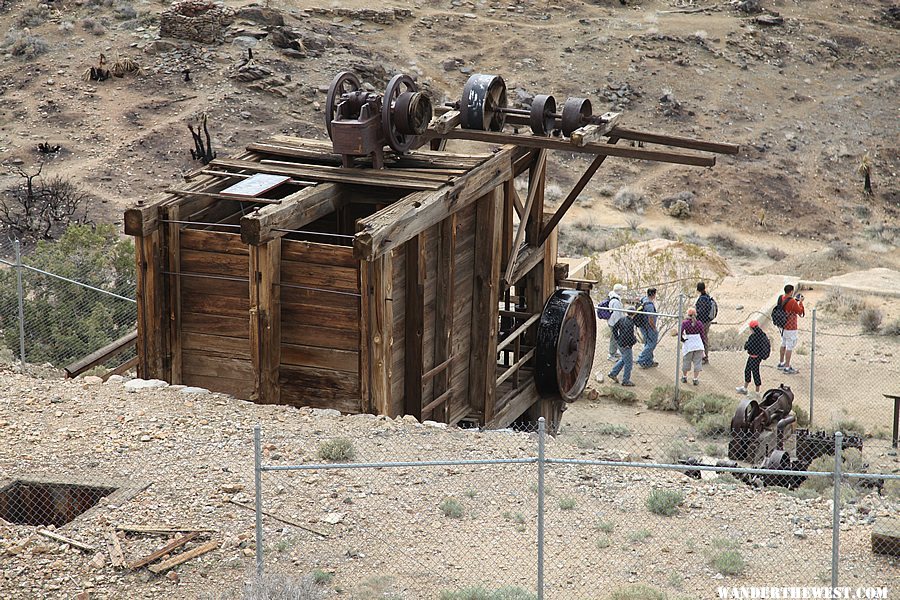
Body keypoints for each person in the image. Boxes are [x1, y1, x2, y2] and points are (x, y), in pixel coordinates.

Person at [777, 284, 805, 375]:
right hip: (791, 327)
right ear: (792, 291)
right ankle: (787, 367)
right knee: (789, 346)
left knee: (783, 343)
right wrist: (800, 302)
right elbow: (800, 312)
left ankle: (781, 363)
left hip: (783, 326)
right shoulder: (792, 302)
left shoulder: (781, 298)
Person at [737, 320, 770, 395]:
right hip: (758, 357)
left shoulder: (753, 337)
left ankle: (757, 392)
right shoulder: (762, 335)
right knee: (748, 370)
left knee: (754, 373)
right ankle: (746, 388)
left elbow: (747, 346)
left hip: (753, 357)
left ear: (751, 328)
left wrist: (746, 344)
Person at [608, 310, 636, 386]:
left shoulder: (622, 319)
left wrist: (617, 338)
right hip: (626, 345)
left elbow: (614, 329)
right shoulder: (631, 323)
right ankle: (625, 380)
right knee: (629, 363)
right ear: (634, 314)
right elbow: (629, 335)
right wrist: (633, 341)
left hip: (620, 343)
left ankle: (613, 373)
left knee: (624, 359)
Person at [680, 307, 705, 386]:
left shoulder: (685, 323)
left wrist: (682, 340)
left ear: (688, 314)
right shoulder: (699, 323)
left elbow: (680, 332)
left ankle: (684, 377)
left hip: (689, 344)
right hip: (698, 344)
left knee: (686, 361)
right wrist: (702, 343)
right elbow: (702, 335)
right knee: (697, 362)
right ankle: (695, 379)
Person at [636, 288, 659, 368]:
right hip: (649, 327)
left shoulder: (644, 299)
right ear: (653, 294)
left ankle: (649, 361)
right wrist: (654, 328)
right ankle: (641, 359)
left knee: (647, 343)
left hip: (643, 326)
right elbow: (650, 319)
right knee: (651, 344)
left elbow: (638, 299)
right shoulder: (649, 305)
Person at [606, 283, 626, 361]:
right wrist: (619, 325)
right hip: (614, 323)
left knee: (614, 338)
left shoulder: (613, 298)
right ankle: (611, 354)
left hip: (612, 322)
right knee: (614, 339)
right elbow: (616, 315)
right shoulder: (616, 302)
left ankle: (614, 352)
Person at [695, 281, 713, 364]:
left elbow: (701, 312)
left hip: (702, 322)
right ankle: (704, 356)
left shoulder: (702, 299)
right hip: (707, 321)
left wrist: (696, 318)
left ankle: (704, 357)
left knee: (702, 339)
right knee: (704, 338)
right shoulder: (707, 297)